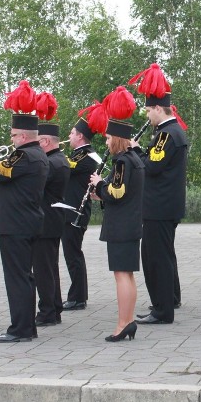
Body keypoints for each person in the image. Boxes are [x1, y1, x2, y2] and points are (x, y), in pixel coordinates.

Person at [0, 80, 48, 343]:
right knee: (25, 277)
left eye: (13, 135)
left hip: (15, 224)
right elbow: (6, 171)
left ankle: (20, 329)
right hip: (26, 222)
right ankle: (27, 326)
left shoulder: (24, 155)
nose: (11, 139)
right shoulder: (36, 154)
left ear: (22, 136)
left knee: (17, 278)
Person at [130, 64, 190, 326]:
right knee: (163, 255)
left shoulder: (166, 134)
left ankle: (163, 310)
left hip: (160, 206)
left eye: (147, 109)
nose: (147, 115)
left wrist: (135, 150)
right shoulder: (169, 132)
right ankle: (168, 300)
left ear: (157, 108)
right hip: (165, 205)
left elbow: (152, 166)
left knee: (157, 258)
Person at [89, 105, 144, 342]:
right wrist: (100, 193)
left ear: (118, 139)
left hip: (120, 226)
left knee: (121, 275)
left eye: (109, 137)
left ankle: (123, 324)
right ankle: (128, 321)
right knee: (127, 275)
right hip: (130, 223)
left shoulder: (122, 162)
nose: (107, 142)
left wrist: (100, 184)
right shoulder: (134, 159)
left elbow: (117, 191)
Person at [60, 113, 101, 312]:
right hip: (70, 210)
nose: (69, 135)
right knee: (72, 254)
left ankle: (77, 298)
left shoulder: (86, 155)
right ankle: (78, 296)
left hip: (75, 211)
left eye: (73, 132)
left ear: (81, 136)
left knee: (73, 254)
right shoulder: (80, 153)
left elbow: (66, 166)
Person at [34, 114, 70, 326]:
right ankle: (54, 307)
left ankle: (47, 311)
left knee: (43, 269)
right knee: (49, 267)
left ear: (45, 142)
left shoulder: (51, 163)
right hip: (52, 219)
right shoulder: (58, 159)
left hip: (46, 221)